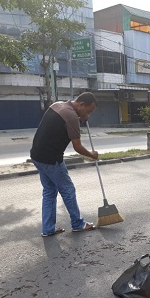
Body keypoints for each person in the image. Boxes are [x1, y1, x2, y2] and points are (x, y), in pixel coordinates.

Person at [30, 92, 99, 237]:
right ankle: (78, 223)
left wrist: (81, 118)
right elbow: (77, 146)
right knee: (68, 190)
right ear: (81, 105)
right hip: (51, 159)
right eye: (89, 111)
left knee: (49, 191)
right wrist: (91, 155)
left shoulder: (58, 105)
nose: (90, 114)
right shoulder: (72, 117)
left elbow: (60, 127)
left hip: (37, 156)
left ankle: (48, 229)